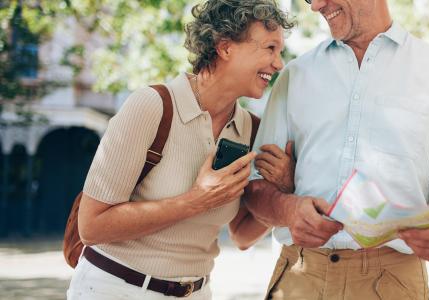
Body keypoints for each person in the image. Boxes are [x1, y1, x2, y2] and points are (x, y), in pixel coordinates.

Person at [245, 0, 429, 299]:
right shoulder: (294, 76)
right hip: (300, 277)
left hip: (392, 282)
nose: (317, 6)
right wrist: (288, 209)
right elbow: (255, 189)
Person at [66, 1, 294, 299]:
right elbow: (92, 227)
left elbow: (242, 235)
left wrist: (284, 189)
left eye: (280, 52)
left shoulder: (250, 129)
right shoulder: (152, 106)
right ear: (225, 47)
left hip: (196, 292)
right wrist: (195, 201)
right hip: (115, 288)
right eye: (269, 48)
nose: (279, 64)